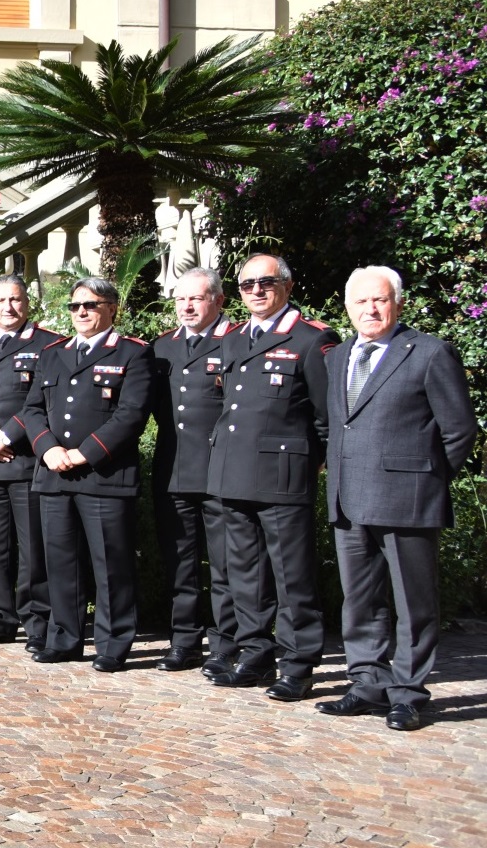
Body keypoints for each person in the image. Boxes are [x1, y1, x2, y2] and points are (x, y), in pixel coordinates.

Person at [317, 266, 478, 731]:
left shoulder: (429, 353)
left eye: (380, 300)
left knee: (415, 602)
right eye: (361, 301)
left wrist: (426, 478)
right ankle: (367, 682)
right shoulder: (339, 355)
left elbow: (459, 429)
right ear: (348, 307)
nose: (371, 309)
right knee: (360, 600)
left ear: (398, 303)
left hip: (409, 498)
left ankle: (407, 692)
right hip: (349, 499)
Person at [206, 254, 338, 702]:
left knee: (291, 576)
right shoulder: (234, 339)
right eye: (247, 285)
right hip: (232, 471)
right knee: (245, 574)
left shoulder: (311, 339)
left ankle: (298, 665)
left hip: (283, 476)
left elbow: (326, 419)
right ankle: (256, 653)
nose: (257, 291)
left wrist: (311, 465)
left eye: (266, 282)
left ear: (287, 284)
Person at [16, 277, 153, 671]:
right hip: (55, 473)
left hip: (104, 476)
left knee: (110, 564)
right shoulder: (53, 353)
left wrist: (83, 453)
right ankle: (65, 637)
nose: (81, 313)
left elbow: (131, 415)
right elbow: (32, 409)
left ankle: (112, 644)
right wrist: (49, 448)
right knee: (60, 562)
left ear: (112, 308)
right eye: (75, 306)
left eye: (90, 305)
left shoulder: (132, 354)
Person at [149, 268, 241, 678]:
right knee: (181, 563)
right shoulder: (161, 347)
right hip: (174, 468)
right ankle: (183, 640)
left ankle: (225, 644)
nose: (186, 306)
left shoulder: (238, 342)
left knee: (225, 566)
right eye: (180, 299)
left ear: (219, 301)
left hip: (222, 470)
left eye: (196, 299)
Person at [0, 274, 58, 652]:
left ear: (27, 303)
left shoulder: (49, 345)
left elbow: (40, 400)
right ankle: (1, 618)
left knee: (32, 547)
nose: (8, 307)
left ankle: (37, 621)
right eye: (1, 300)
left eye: (16, 299)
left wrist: (6, 436)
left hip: (26, 460)